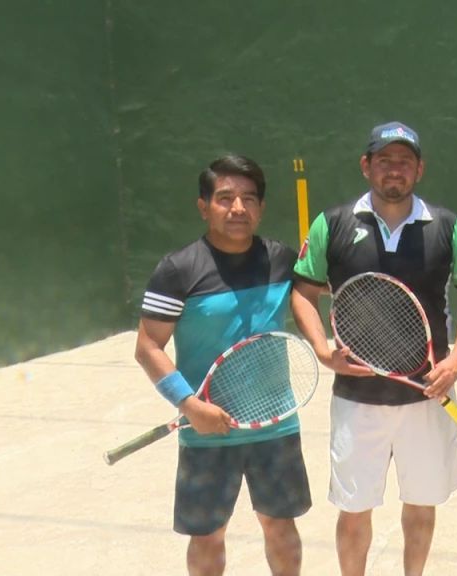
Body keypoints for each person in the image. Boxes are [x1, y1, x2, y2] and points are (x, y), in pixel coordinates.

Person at [290, 121, 457, 576]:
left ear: (419, 169)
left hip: (427, 395)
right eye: (384, 161)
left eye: (404, 162)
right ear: (366, 167)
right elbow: (303, 291)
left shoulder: (447, 225)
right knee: (355, 509)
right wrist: (323, 350)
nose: (393, 170)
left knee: (421, 505)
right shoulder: (332, 224)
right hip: (357, 401)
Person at [134, 154, 312, 576]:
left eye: (249, 199)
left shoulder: (282, 260)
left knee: (280, 526)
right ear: (204, 207)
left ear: (261, 208)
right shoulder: (177, 270)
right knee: (209, 535)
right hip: (205, 433)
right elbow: (147, 347)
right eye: (225, 198)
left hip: (275, 425)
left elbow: (316, 293)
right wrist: (191, 406)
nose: (238, 208)